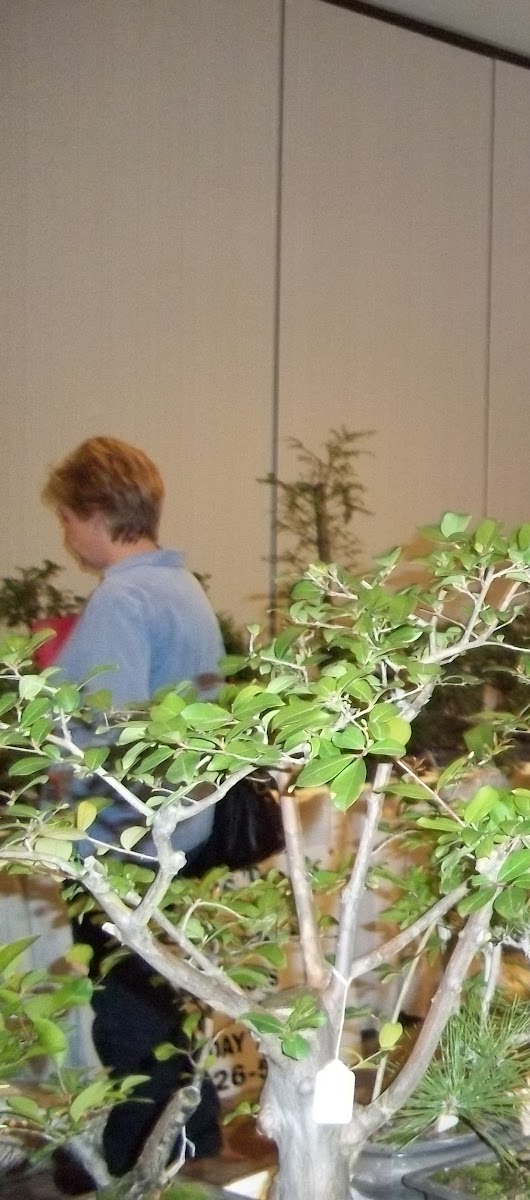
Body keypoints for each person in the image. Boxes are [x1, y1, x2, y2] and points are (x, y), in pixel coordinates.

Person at [43, 436, 224, 1176]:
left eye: (65, 518)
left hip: (122, 835)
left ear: (93, 511)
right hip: (180, 827)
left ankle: (137, 1156)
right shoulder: (183, 590)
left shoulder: (123, 598)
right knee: (159, 989)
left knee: (124, 1004)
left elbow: (96, 732)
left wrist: (48, 781)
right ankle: (192, 1128)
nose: (65, 535)